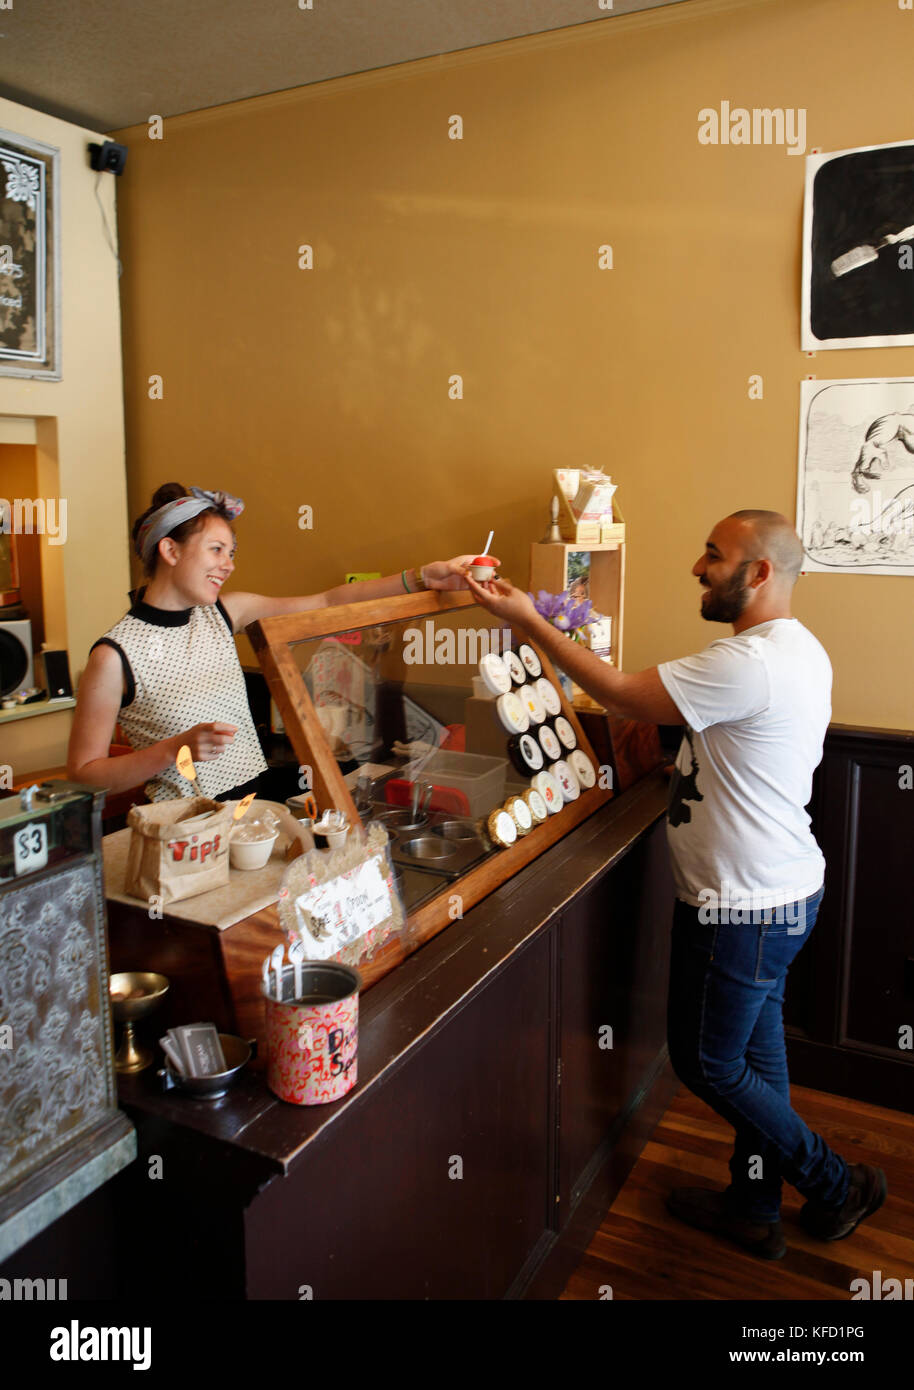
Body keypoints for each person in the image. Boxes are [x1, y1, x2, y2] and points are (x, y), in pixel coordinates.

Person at [467, 509, 887, 1261]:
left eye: (713, 555)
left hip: (743, 905)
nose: (698, 567)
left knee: (706, 1062)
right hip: (778, 894)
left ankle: (834, 1183)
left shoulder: (749, 662)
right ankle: (755, 1205)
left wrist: (528, 619)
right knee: (757, 1058)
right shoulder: (793, 649)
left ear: (758, 573)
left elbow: (624, 695)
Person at [68, 483, 475, 804]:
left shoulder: (226, 613)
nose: (228, 565)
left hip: (254, 808)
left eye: (232, 552)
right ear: (169, 550)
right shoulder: (113, 657)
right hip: (187, 830)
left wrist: (423, 577)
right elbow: (85, 774)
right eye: (216, 550)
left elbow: (328, 602)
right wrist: (173, 750)